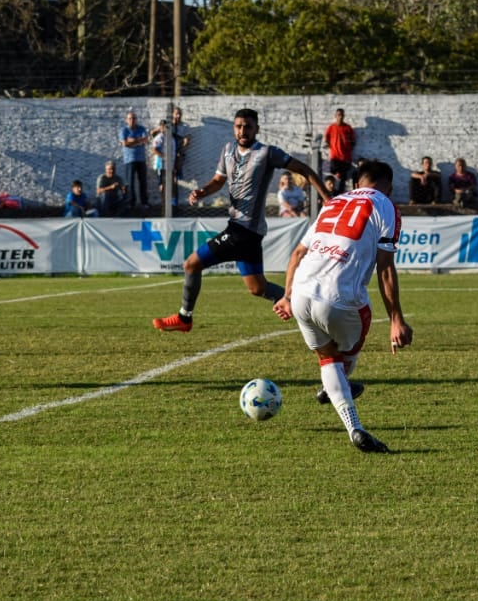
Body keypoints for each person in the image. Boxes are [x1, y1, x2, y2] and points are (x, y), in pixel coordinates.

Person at [273, 160, 413, 453]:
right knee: (344, 359)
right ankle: (340, 389)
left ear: (356, 184)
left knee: (327, 358)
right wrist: (396, 319)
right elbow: (385, 268)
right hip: (340, 299)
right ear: (388, 187)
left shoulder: (334, 202)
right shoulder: (386, 206)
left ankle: (353, 426)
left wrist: (286, 296)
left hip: (301, 292)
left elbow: (299, 252)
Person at [152, 108, 328, 333]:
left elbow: (303, 168)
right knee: (257, 288)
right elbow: (218, 180)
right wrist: (202, 192)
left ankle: (184, 318)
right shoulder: (228, 151)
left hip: (242, 230)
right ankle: (312, 309)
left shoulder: (266, 153)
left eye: (248, 127)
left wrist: (328, 199)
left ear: (257, 129)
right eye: (239, 126)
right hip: (245, 232)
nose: (243, 130)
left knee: (191, 264)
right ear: (234, 128)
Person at [119, 110, 150, 208]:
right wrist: (138, 141)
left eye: (134, 118)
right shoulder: (124, 130)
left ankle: (144, 202)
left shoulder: (141, 129)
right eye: (130, 118)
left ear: (136, 120)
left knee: (143, 182)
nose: (132, 120)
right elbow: (124, 143)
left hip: (141, 159)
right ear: (126, 120)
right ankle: (131, 203)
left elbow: (145, 140)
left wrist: (132, 141)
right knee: (130, 183)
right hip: (129, 160)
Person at [323, 108, 357, 186]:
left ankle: (340, 192)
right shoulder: (331, 127)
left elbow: (353, 140)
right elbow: (327, 138)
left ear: (344, 116)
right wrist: (330, 145)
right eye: (338, 115)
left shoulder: (348, 128)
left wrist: (348, 148)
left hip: (345, 157)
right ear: (335, 116)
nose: (340, 117)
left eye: (341, 115)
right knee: (333, 170)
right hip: (335, 155)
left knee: (343, 178)